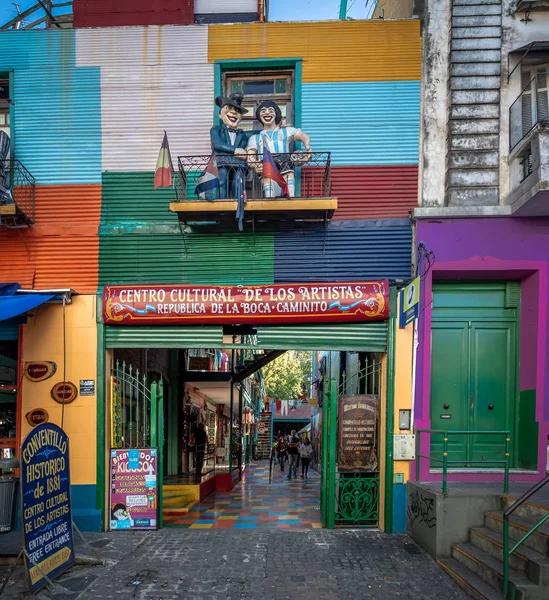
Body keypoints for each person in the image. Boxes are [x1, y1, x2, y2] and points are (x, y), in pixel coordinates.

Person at [247, 100, 312, 198]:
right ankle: (269, 199)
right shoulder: (255, 138)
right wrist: (255, 165)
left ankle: (291, 199)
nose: (267, 113)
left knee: (288, 173)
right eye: (263, 111)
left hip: (283, 160)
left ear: (276, 114)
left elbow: (303, 136)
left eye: (270, 110)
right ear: (259, 116)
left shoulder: (286, 131)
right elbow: (250, 157)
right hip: (267, 162)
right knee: (267, 179)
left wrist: (307, 147)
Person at [209, 93, 249, 201]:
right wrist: (235, 150)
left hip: (238, 163)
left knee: (238, 182)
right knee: (222, 181)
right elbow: (217, 144)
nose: (234, 112)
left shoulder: (242, 134)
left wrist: (279, 128)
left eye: (237, 110)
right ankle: (222, 202)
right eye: (229, 108)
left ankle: (239, 202)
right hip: (222, 160)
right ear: (220, 114)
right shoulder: (216, 129)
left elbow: (258, 132)